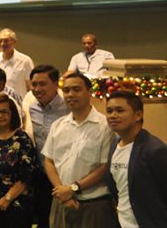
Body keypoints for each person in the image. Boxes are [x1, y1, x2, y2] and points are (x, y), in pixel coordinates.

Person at [41, 73, 118, 228]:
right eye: (67, 90)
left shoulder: (105, 126)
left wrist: (73, 188)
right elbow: (49, 161)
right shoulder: (58, 125)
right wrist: (63, 193)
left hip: (94, 204)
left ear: (89, 93)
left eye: (76, 89)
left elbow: (104, 167)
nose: (70, 94)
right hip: (62, 202)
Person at [106, 90, 167, 228]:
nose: (113, 116)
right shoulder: (114, 146)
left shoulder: (154, 149)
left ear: (138, 115)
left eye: (120, 110)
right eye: (109, 111)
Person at [0, 93, 38, 228]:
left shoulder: (22, 139)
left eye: (4, 112)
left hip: (16, 204)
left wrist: (8, 198)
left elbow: (27, 175)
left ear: (12, 114)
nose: (0, 115)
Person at [22, 65, 68, 228]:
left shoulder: (68, 107)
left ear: (56, 84)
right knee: (43, 219)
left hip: (65, 174)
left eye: (42, 84)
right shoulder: (30, 106)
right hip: (41, 174)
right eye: (34, 84)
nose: (37, 89)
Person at [0, 28, 34, 99]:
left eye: (6, 41)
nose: (3, 44)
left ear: (14, 42)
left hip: (18, 104)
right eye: (0, 41)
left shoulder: (25, 61)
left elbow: (31, 86)